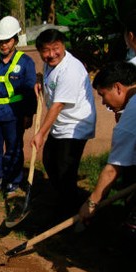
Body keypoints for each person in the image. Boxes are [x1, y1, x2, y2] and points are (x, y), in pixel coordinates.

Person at [32, 29, 96, 219]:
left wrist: (40, 133)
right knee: (49, 161)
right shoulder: (50, 64)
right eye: (46, 50)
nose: (51, 54)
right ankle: (66, 199)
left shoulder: (71, 70)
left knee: (65, 170)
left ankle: (71, 214)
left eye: (55, 49)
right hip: (60, 124)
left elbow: (58, 105)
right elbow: (51, 80)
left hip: (75, 125)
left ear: (63, 46)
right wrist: (40, 81)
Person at [0, 16, 37, 195]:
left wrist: (29, 114)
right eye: (0, 41)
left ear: (15, 40)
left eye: (7, 40)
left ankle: (13, 180)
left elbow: (28, 90)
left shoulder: (25, 62)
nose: (3, 45)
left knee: (13, 148)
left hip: (14, 115)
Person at [79, 62, 136, 233]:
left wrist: (91, 204)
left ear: (118, 87)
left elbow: (112, 170)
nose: (103, 102)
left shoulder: (129, 120)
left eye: (103, 95)